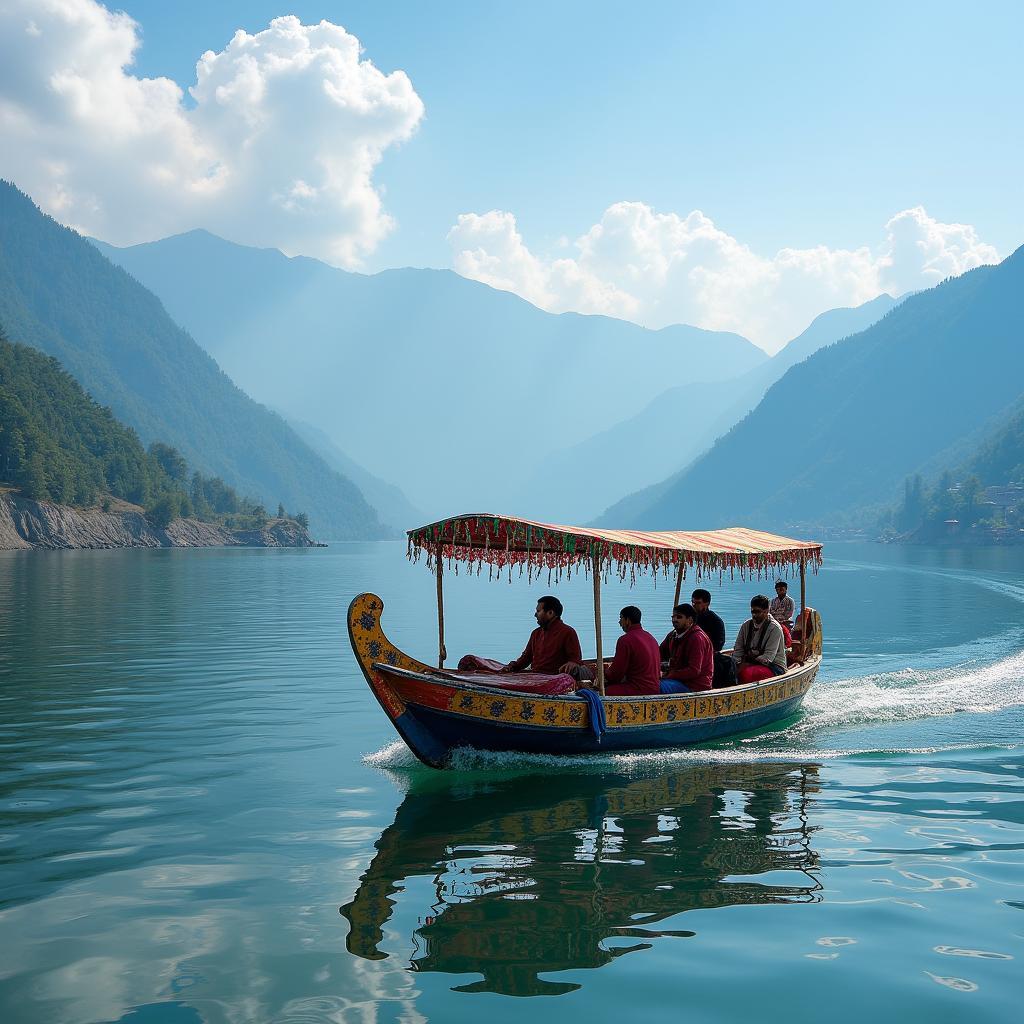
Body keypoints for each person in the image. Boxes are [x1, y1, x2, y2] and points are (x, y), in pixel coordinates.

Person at [499, 596, 583, 674]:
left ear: (550, 613)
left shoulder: (568, 632)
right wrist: (511, 667)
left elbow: (575, 660)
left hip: (555, 680)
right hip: (536, 677)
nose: (535, 615)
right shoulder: (536, 633)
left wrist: (572, 664)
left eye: (538, 611)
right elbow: (525, 659)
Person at [596, 606, 661, 696]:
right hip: (655, 688)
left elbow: (616, 675)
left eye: (621, 618)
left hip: (639, 689)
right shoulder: (650, 637)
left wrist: (603, 672)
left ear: (627, 620)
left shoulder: (625, 640)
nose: (619, 622)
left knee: (601, 692)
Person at [732, 595, 788, 685]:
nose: (754, 615)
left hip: (773, 666)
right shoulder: (746, 625)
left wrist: (746, 664)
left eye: (758, 612)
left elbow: (768, 657)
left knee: (747, 674)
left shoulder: (774, 628)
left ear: (766, 611)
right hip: (748, 662)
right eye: (753, 612)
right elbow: (738, 649)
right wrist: (734, 663)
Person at [659, 603, 714, 693]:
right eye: (673, 617)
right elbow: (659, 653)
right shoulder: (673, 635)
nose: (674, 620)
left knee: (657, 687)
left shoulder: (696, 638)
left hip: (694, 686)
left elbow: (693, 670)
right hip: (676, 680)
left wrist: (668, 675)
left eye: (679, 617)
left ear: (690, 620)